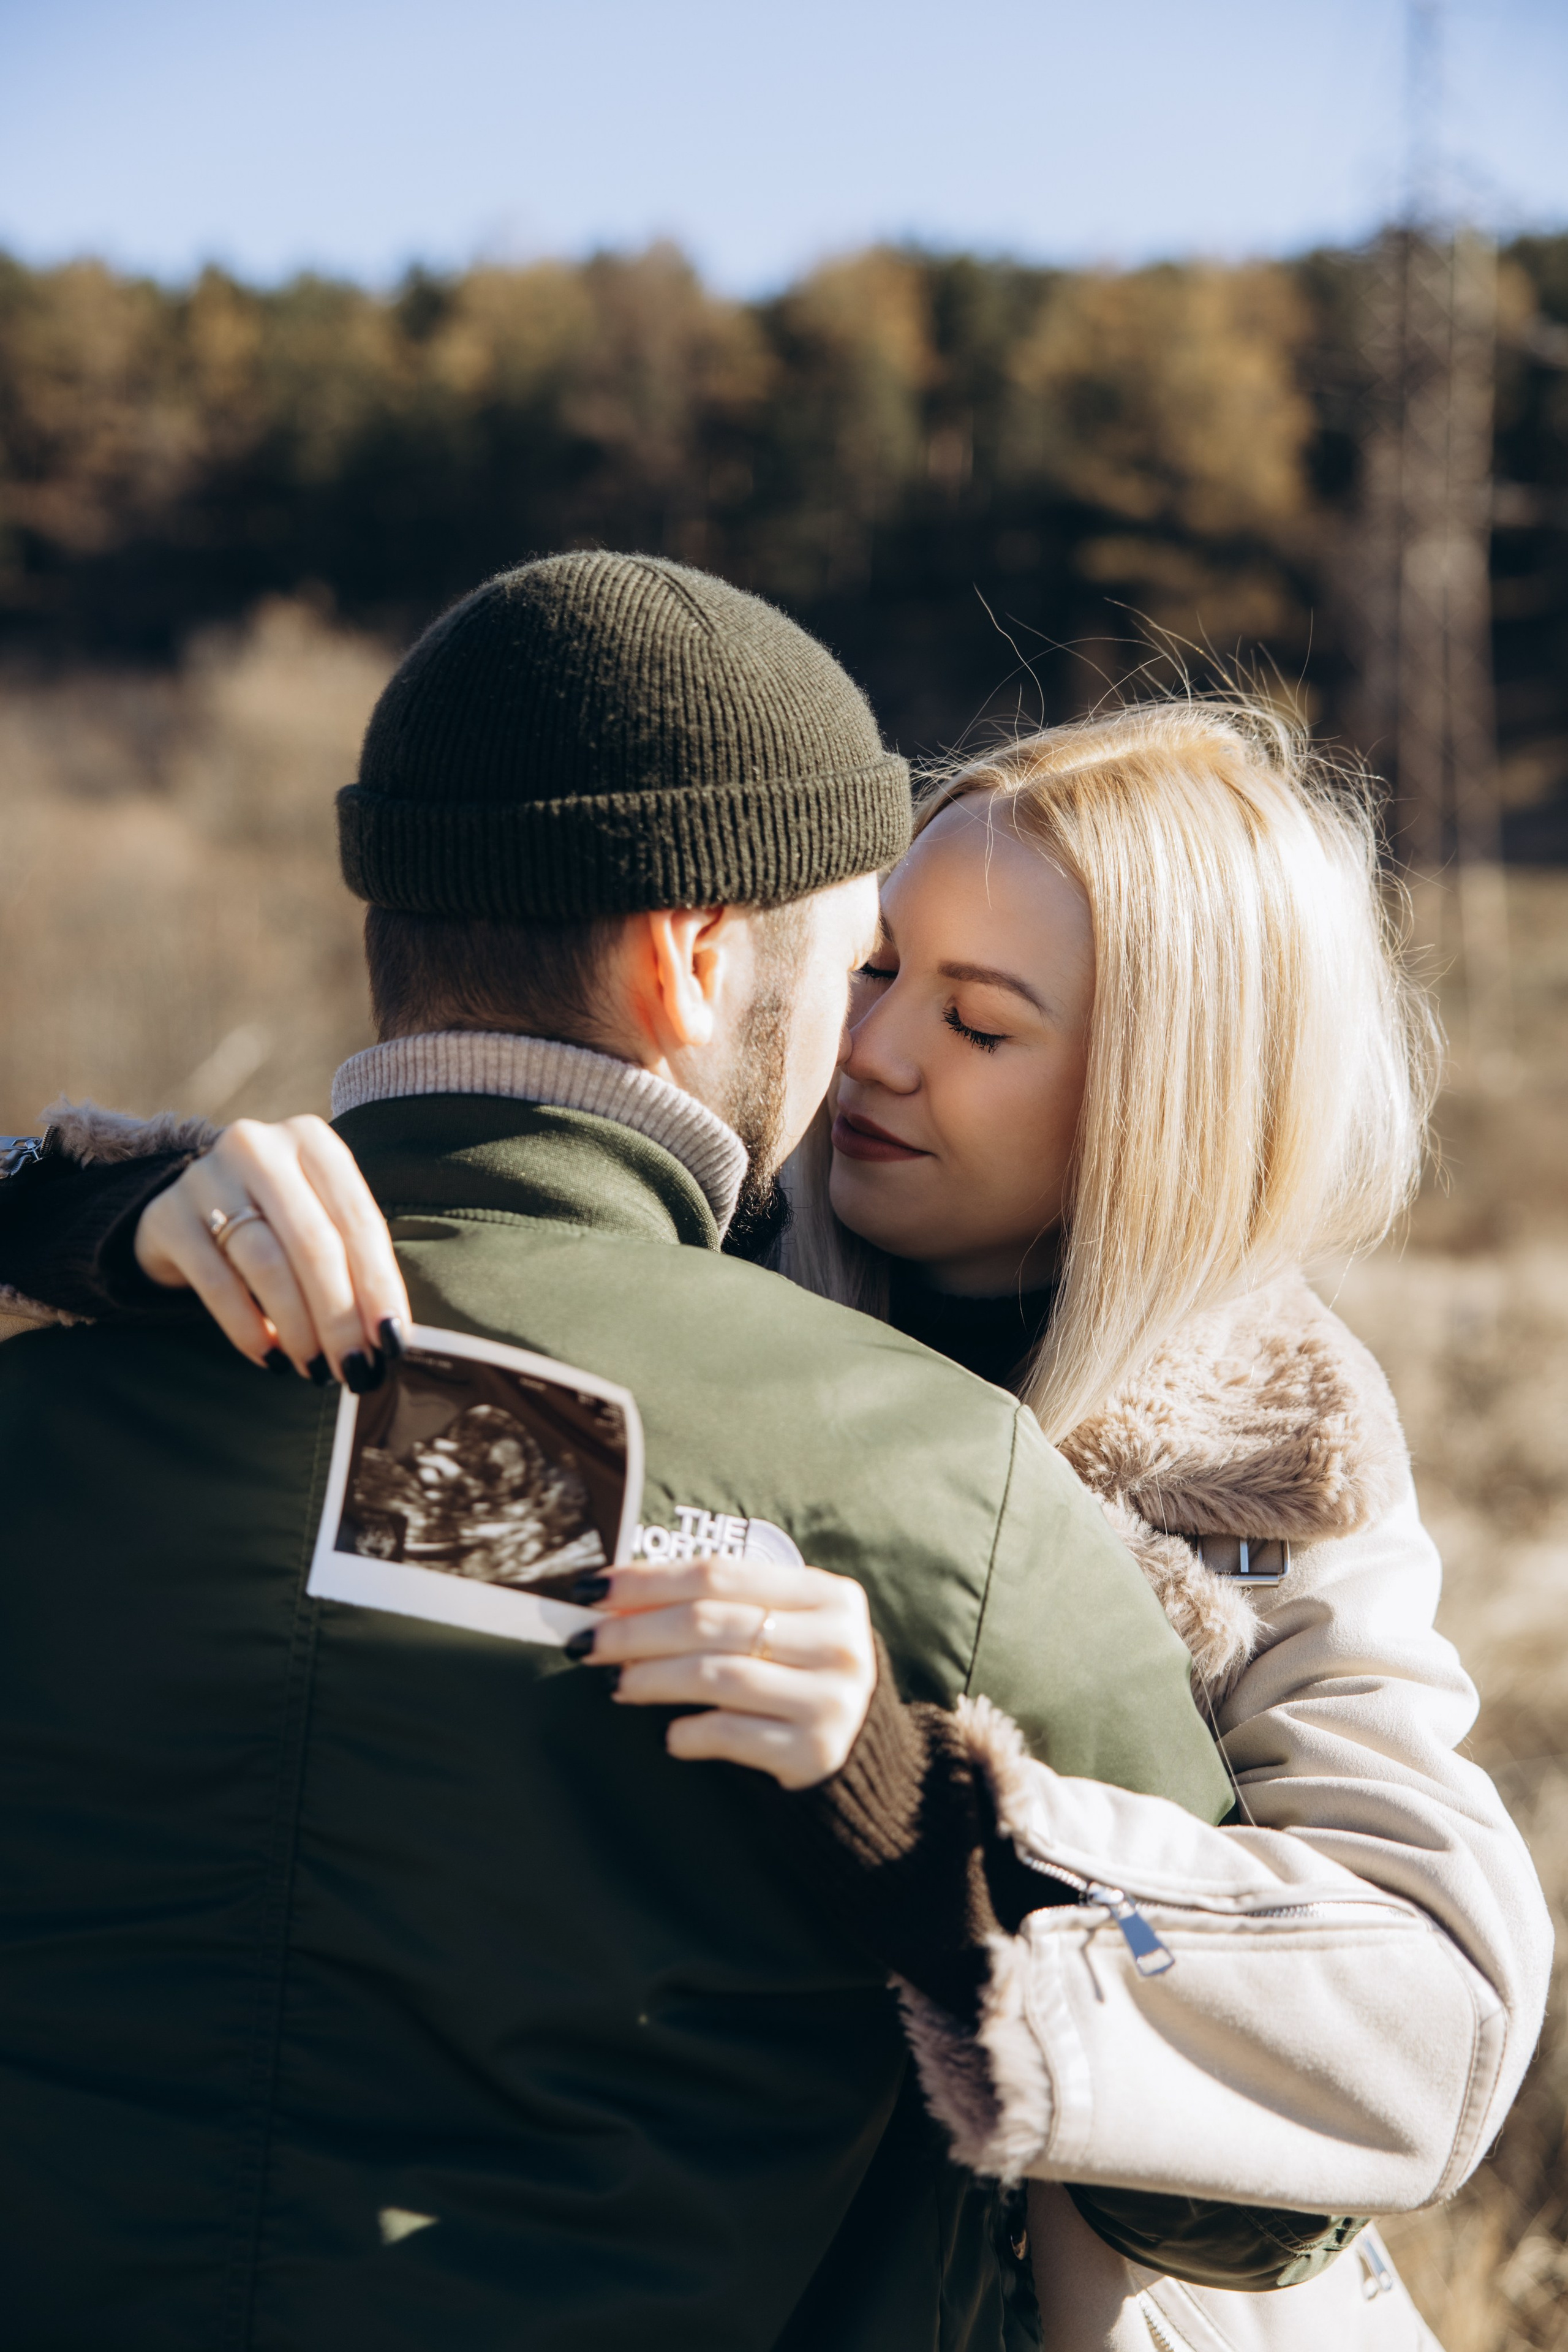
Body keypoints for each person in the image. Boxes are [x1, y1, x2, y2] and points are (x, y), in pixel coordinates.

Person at [8, 691, 1550, 2351]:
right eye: (877, 969)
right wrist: (82, 1211)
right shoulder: (708, 1268)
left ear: (1160, 1101)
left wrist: (936, 1815)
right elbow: (415, 1382)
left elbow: (1420, 2017)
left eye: (982, 1022)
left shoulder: (1277, 1452)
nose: (875, 1051)